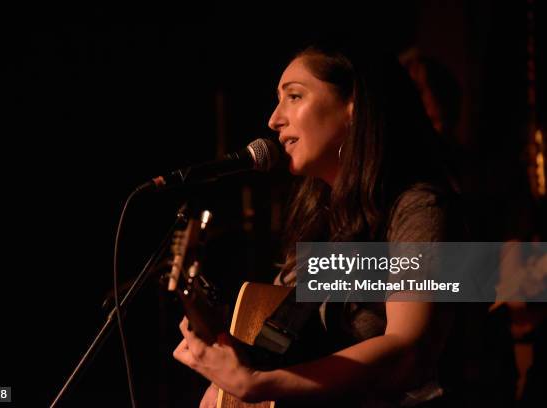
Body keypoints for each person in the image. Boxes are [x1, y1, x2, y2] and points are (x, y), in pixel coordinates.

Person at [173, 38, 465, 407]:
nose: (273, 119)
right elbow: (281, 351)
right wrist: (223, 345)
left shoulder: (420, 207)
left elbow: (408, 350)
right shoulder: (323, 223)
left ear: (353, 108)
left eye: (294, 96)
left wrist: (257, 382)